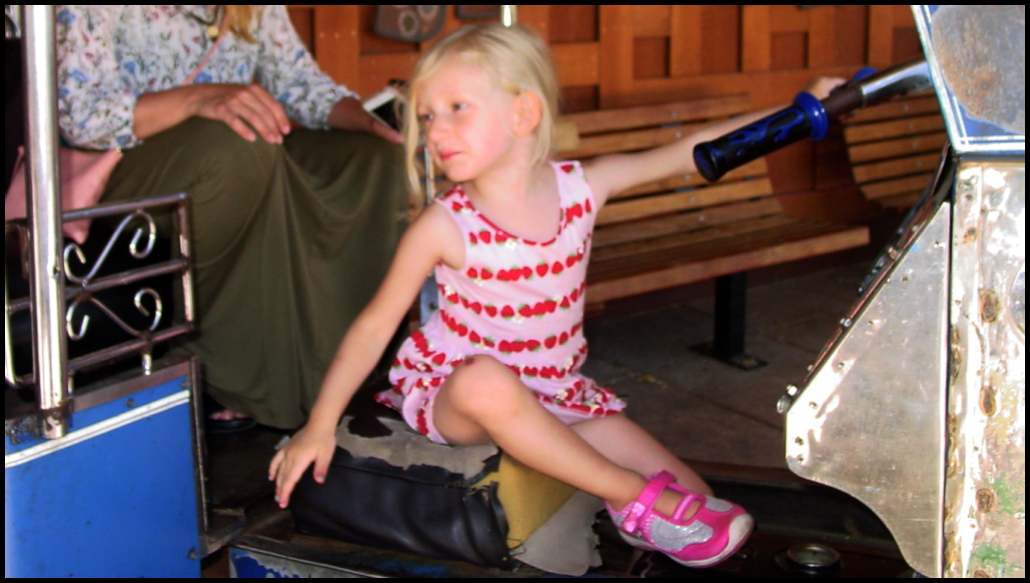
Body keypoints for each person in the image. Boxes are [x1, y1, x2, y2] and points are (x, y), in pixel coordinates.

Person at [270, 23, 842, 567]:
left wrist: (801, 111)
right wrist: (319, 424)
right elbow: (373, 328)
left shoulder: (582, 188)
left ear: (523, 111)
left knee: (705, 503)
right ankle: (630, 498)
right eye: (426, 116)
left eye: (456, 109)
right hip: (459, 392)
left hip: (556, 393)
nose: (435, 130)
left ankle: (637, 509)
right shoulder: (444, 226)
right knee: (487, 381)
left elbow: (694, 149)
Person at [53, 6, 409, 429]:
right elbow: (83, 118)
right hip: (125, 161)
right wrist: (198, 99)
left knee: (377, 161)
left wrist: (371, 124)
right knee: (237, 146)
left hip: (239, 148)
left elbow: (299, 83)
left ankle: (345, 369)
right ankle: (229, 379)